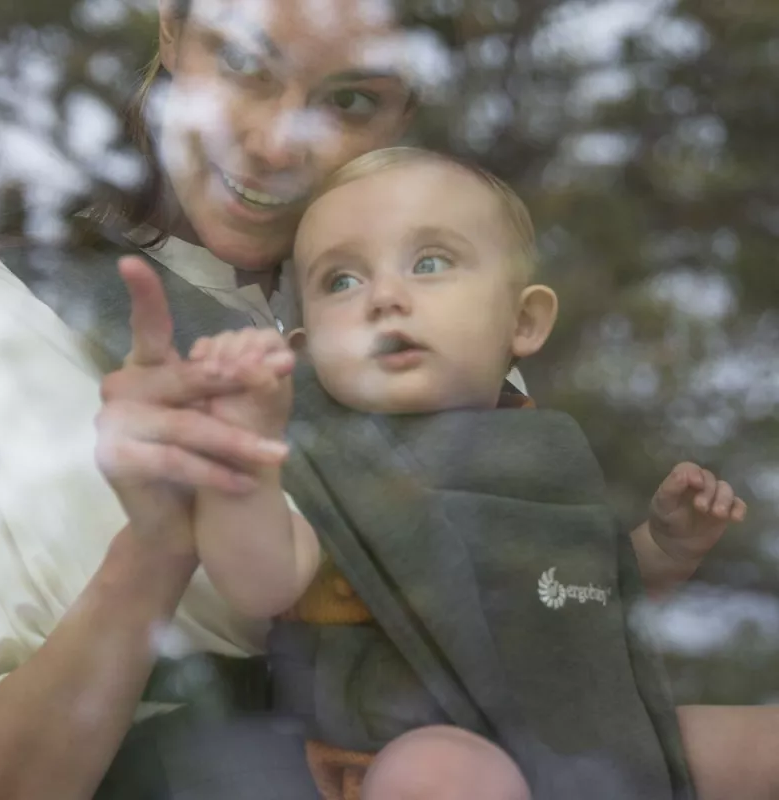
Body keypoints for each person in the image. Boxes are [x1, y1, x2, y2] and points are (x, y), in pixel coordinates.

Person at [114, 146, 766, 799]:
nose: (385, 298)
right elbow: (262, 582)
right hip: (411, 751)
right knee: (441, 775)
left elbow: (574, 601)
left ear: (524, 321)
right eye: (343, 280)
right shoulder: (329, 462)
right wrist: (246, 462)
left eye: (430, 263)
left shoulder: (539, 453)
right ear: (306, 357)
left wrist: (663, 550)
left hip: (582, 743)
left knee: (761, 746)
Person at [0, 2, 467, 798]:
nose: (276, 144)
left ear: (405, 109)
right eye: (244, 64)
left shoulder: (451, 337)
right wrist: (158, 542)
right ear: (170, 29)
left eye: (349, 101)